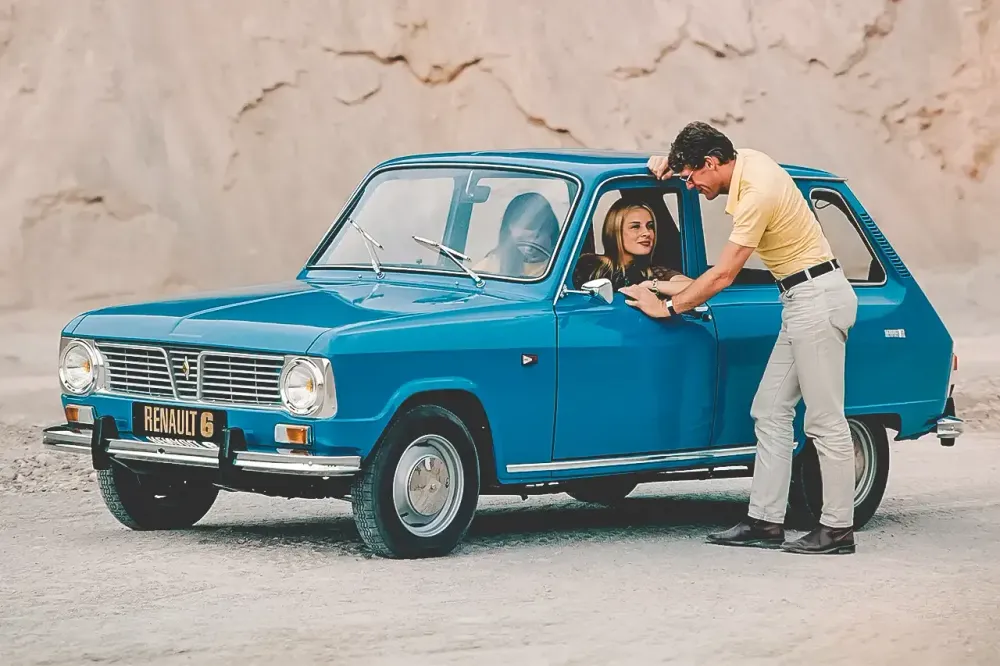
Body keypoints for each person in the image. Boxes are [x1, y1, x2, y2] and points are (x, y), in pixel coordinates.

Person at [621, 121, 859, 555]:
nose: (690, 186)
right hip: (801, 298)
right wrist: (668, 163)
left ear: (712, 163)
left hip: (817, 300)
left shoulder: (756, 192)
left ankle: (838, 529)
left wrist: (669, 308)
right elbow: (699, 156)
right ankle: (765, 521)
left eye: (691, 176)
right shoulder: (744, 161)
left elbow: (724, 274)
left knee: (825, 420)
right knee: (769, 411)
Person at [573, 197, 691, 295]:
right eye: (635, 227)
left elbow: (695, 288)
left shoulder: (654, 272)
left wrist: (650, 285)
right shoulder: (592, 266)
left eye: (650, 226)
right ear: (615, 231)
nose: (647, 233)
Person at [475, 192, 560, 278]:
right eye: (520, 240)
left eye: (535, 238)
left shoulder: (560, 265)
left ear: (550, 231)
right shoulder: (494, 263)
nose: (528, 249)